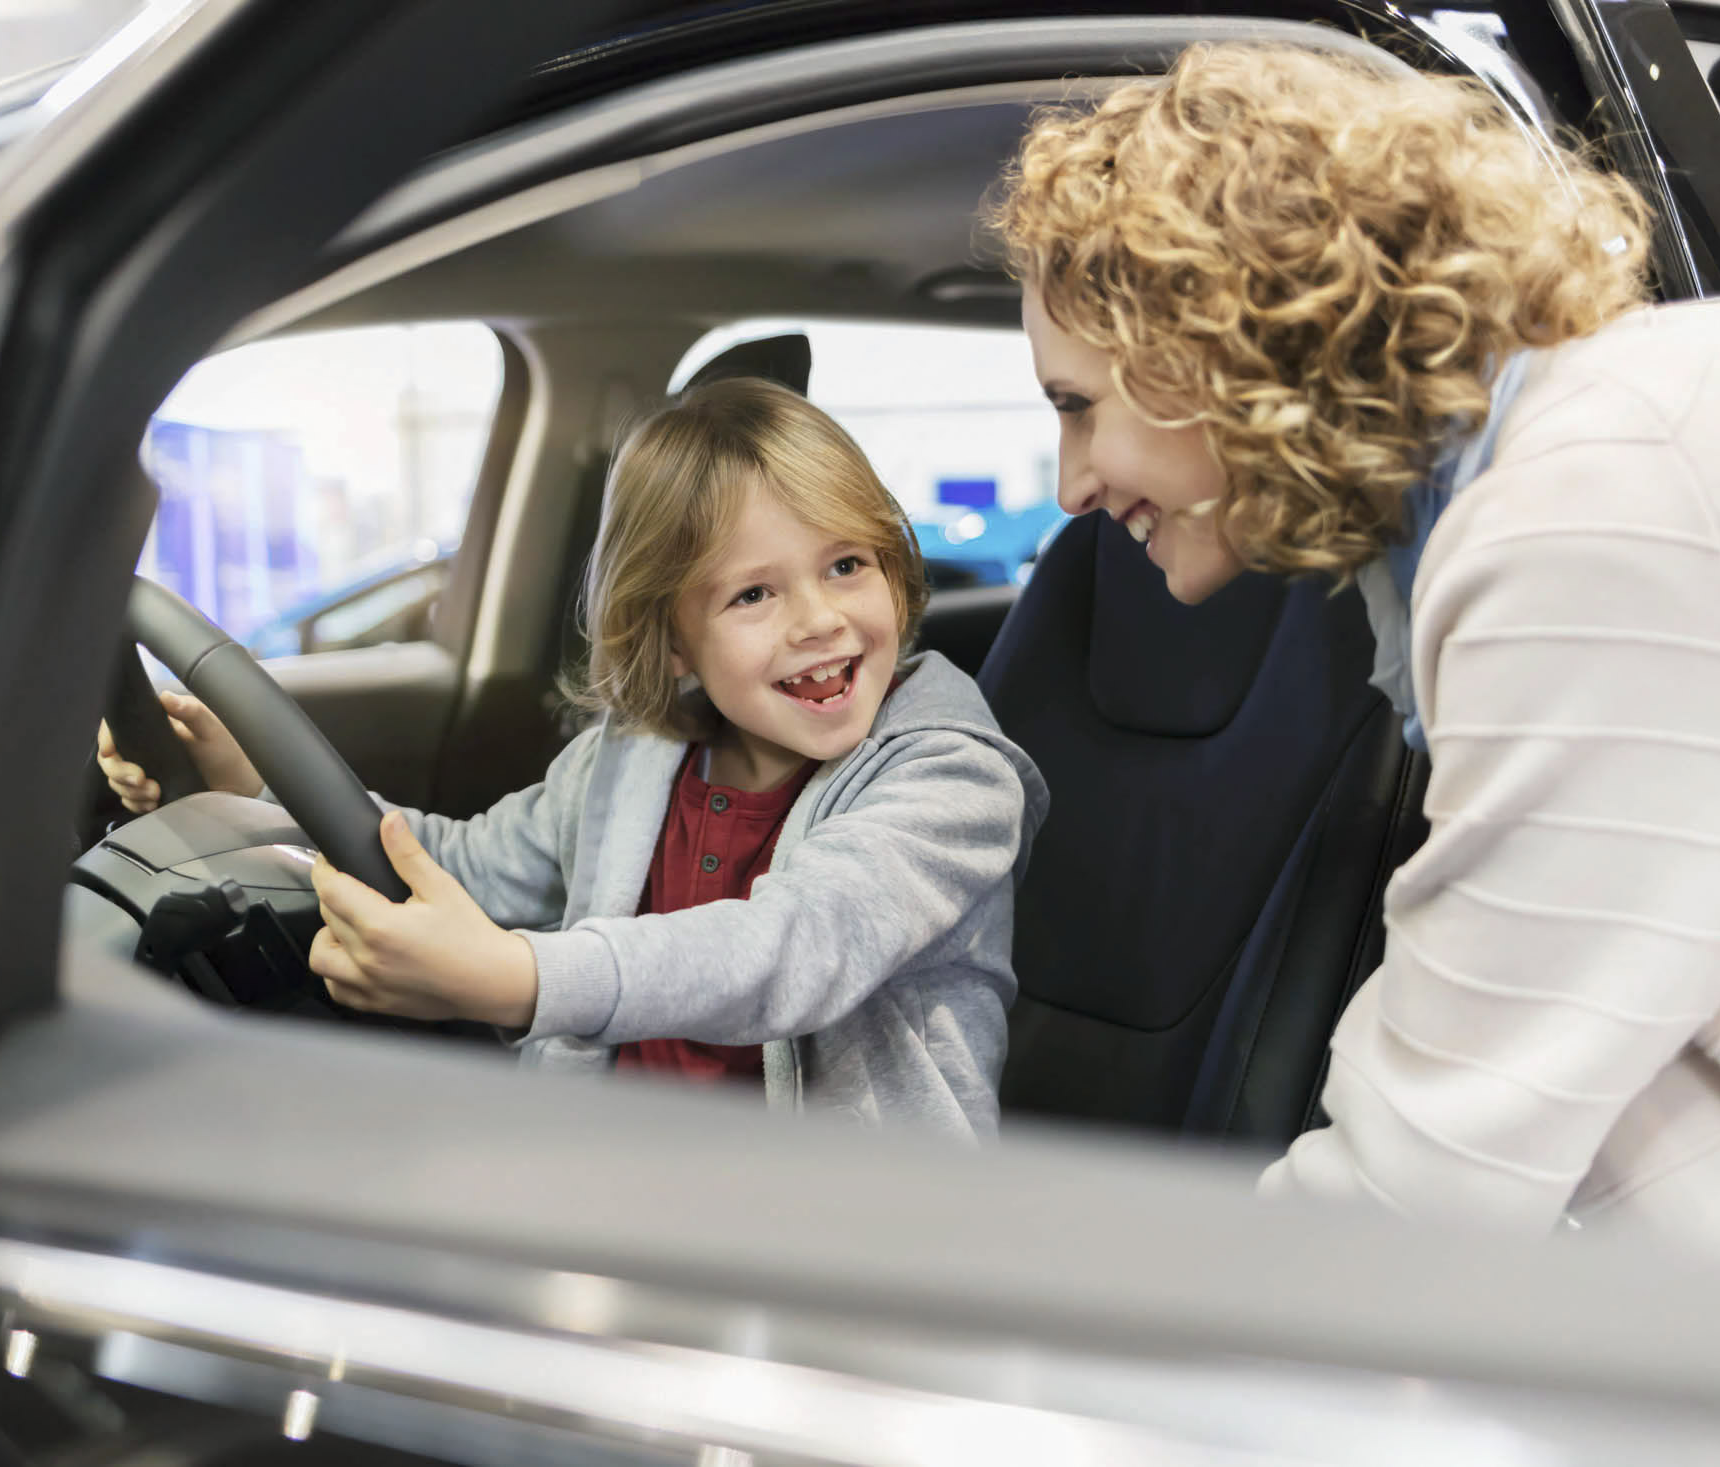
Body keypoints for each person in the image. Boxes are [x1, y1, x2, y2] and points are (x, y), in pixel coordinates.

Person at [993, 42, 1720, 1265]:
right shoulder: (1560, 469)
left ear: (1217, 323)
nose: (1073, 486)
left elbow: (1421, 1193)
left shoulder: (1593, 520)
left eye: (1077, 404)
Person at [101, 377, 1048, 1138]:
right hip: (604, 1177)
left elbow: (794, 948)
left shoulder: (949, 776)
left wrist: (518, 978)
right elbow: (465, 866)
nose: (820, 620)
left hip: (846, 1245)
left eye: (849, 564)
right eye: (753, 595)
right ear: (673, 640)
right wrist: (246, 781)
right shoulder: (631, 758)